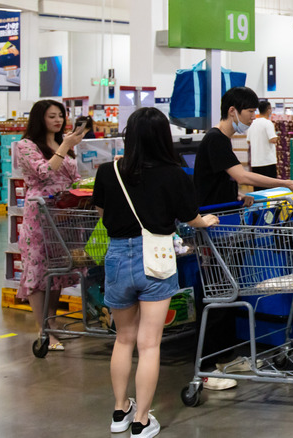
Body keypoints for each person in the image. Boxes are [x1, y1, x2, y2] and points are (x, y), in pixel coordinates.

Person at [93, 107, 219, 438]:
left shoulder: (109, 171)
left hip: (118, 256)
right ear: (164, 137)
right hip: (157, 257)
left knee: (123, 339)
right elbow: (190, 217)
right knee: (150, 344)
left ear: (129, 137)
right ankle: (142, 421)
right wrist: (204, 222)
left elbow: (102, 211)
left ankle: (120, 411)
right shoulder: (175, 173)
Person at [193, 86, 293, 390]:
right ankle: (207, 367)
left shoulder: (221, 141)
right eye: (248, 113)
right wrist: (286, 182)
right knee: (218, 294)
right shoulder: (216, 139)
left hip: (226, 225)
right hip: (214, 231)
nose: (251, 119)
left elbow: (222, 182)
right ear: (233, 111)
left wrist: (237, 198)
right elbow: (243, 176)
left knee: (229, 294)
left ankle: (223, 358)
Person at [15, 99, 87, 351]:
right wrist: (66, 145)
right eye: (51, 116)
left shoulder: (62, 143)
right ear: (39, 119)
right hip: (40, 215)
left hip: (64, 214)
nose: (58, 121)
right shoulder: (25, 146)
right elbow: (44, 172)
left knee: (58, 270)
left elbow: (74, 177)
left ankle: (52, 324)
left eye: (60, 116)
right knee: (38, 270)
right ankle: (43, 330)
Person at [246, 101, 279, 190]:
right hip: (267, 161)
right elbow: (272, 139)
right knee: (270, 190)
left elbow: (248, 141)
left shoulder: (252, 123)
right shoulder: (268, 123)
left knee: (258, 189)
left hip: (255, 162)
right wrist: (278, 136)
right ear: (268, 110)